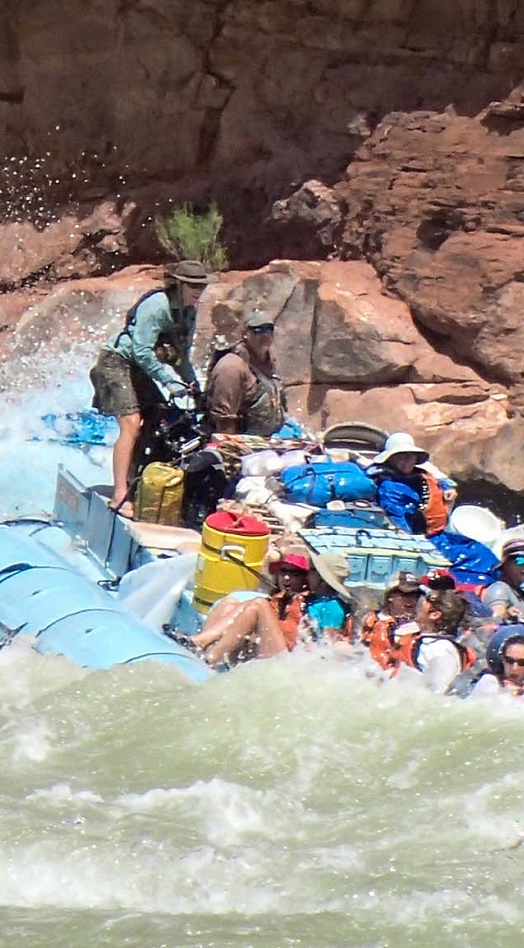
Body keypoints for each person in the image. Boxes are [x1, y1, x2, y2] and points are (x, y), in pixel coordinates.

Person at [90, 259, 213, 517]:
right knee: (131, 423)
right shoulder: (157, 307)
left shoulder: (189, 313)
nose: (197, 292)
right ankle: (120, 495)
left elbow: (181, 356)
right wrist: (167, 381)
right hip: (117, 363)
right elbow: (141, 350)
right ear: (178, 284)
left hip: (139, 368)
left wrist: (194, 388)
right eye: (192, 286)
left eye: (201, 287)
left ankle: (138, 478)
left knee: (160, 416)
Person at [184, 550, 352, 666]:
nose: (309, 575)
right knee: (235, 604)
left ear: (322, 579)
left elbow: (325, 647)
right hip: (285, 649)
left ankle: (212, 657)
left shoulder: (332, 608)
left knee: (259, 604)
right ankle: (202, 643)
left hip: (289, 659)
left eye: (313, 571)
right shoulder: (312, 599)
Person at [205, 309, 286, 436]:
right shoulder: (231, 367)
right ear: (245, 334)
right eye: (257, 330)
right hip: (245, 444)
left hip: (272, 440)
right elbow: (223, 421)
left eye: (269, 329)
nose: (265, 335)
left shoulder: (269, 359)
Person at [368, 432, 454, 536]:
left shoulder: (421, 473)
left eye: (410, 457)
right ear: (390, 459)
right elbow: (396, 518)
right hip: (420, 536)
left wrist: (447, 488)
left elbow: (440, 479)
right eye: (401, 457)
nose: (407, 462)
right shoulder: (389, 487)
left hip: (439, 533)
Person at [358, 571, 425, 677]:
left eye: (415, 595)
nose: (411, 600)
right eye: (405, 595)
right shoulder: (372, 620)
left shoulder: (420, 628)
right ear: (390, 596)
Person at [404, 587, 471, 693]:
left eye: (427, 599)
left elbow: (440, 692)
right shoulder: (425, 642)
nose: (418, 602)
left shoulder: (440, 649)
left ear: (434, 615)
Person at [469, 625, 524, 702]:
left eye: (522, 662)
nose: (514, 668)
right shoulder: (489, 682)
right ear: (502, 660)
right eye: (510, 660)